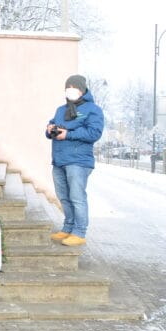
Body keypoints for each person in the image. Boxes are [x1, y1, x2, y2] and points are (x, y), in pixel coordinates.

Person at [46, 74, 104, 247]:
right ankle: (68, 227)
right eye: (68, 87)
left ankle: (79, 232)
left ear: (82, 90)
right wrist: (50, 129)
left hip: (78, 161)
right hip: (59, 160)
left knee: (77, 197)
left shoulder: (93, 110)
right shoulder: (60, 110)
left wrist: (68, 134)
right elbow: (50, 128)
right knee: (63, 196)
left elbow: (94, 133)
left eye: (74, 87)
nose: (70, 90)